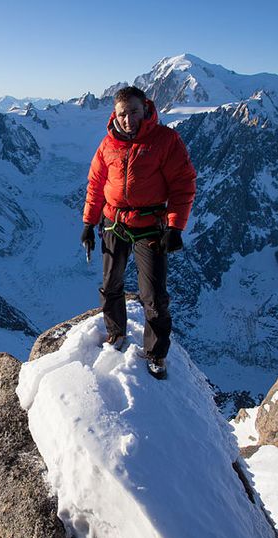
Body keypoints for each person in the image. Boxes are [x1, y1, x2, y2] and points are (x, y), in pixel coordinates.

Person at [81, 86, 196, 378]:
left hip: (149, 227)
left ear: (145, 108)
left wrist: (175, 226)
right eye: (122, 113)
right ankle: (116, 332)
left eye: (133, 111)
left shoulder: (166, 141)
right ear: (115, 115)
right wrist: (88, 223)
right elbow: (96, 185)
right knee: (111, 284)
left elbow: (182, 185)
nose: (128, 119)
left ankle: (156, 353)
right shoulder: (108, 144)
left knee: (154, 295)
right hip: (114, 222)